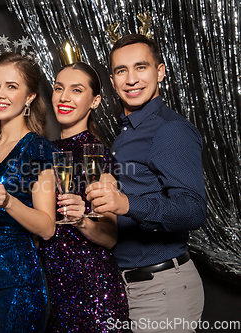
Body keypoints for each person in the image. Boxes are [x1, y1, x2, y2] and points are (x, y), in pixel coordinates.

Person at [87, 33, 206, 332]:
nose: (131, 79)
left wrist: (126, 203)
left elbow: (193, 210)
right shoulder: (125, 135)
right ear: (113, 82)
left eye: (141, 67)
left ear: (160, 71)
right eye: (120, 71)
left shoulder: (170, 130)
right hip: (132, 288)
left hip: (162, 288)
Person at [0, 52, 57, 332]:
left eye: (12, 86)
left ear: (30, 96)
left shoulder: (38, 149)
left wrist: (8, 200)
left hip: (18, 285)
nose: (0, 94)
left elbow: (47, 227)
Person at [38, 62, 128, 332]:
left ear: (95, 101)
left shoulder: (98, 156)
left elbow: (110, 237)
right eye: (58, 88)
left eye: (76, 90)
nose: (64, 97)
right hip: (52, 294)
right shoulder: (41, 151)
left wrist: (82, 221)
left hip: (94, 291)